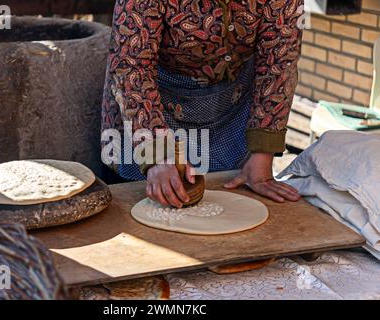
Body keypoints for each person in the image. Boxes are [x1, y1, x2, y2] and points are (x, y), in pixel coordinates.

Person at [102, 0, 303, 208]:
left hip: (230, 108)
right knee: (132, 208)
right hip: (150, 105)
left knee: (224, 206)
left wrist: (262, 156)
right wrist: (156, 154)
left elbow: (279, 62)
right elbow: (132, 66)